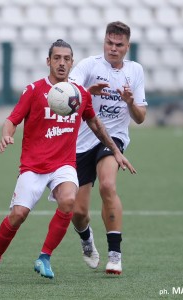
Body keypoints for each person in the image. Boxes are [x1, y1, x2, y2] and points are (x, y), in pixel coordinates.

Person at [0, 39, 136, 284]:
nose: (62, 63)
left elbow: (95, 124)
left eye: (67, 59)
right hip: (33, 165)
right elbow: (12, 119)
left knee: (69, 200)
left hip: (63, 165)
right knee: (18, 215)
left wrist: (115, 150)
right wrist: (7, 134)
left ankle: (44, 256)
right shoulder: (33, 90)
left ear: (72, 63)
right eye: (57, 58)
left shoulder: (79, 93)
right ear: (48, 61)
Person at [69, 21, 148, 275]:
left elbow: (140, 117)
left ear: (127, 47)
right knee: (78, 211)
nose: (113, 48)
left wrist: (130, 102)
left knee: (107, 184)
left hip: (113, 139)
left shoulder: (135, 71)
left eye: (119, 45)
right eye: (109, 43)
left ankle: (115, 255)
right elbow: (69, 91)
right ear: (104, 42)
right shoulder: (89, 65)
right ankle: (86, 240)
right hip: (82, 140)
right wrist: (85, 92)